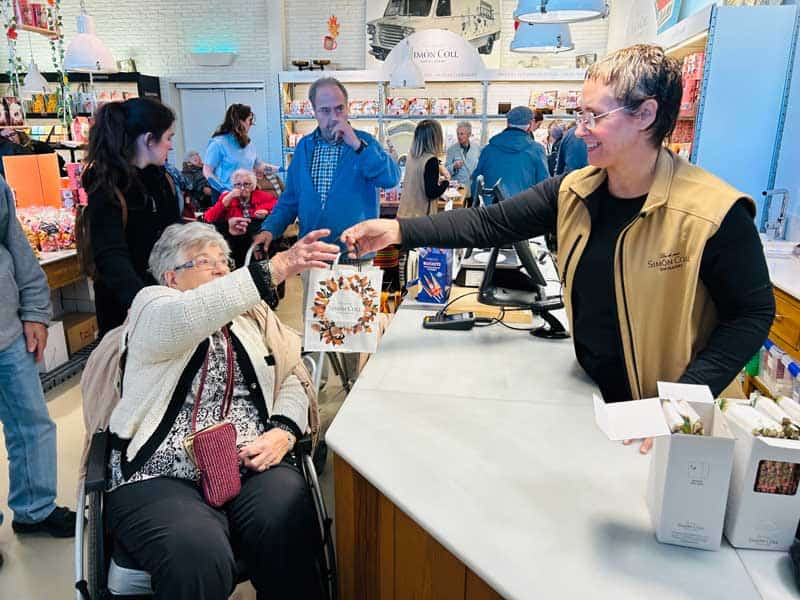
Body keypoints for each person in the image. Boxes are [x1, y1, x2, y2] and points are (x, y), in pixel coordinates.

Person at [342, 44, 775, 455]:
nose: (579, 129)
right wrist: (398, 231)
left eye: (595, 115)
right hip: (597, 404)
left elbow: (752, 313)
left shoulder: (713, 212)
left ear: (646, 114)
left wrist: (681, 404)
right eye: (580, 113)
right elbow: (489, 223)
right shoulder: (574, 191)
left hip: (674, 426)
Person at [104, 221, 339, 600]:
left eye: (224, 262)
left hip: (247, 458)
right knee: (197, 553)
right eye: (203, 261)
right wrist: (275, 268)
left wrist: (283, 429)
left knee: (288, 518)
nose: (220, 270)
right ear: (171, 277)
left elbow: (292, 374)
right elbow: (185, 318)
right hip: (160, 470)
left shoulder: (252, 319)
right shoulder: (151, 307)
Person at [0, 176, 79, 559]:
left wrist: (35, 311)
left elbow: (17, 249)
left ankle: (34, 511)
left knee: (32, 424)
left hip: (8, 332)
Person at [253, 76, 400, 261]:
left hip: (355, 257)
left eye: (339, 108)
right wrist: (270, 229)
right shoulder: (304, 148)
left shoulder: (365, 143)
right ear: (314, 111)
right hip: (312, 255)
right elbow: (290, 200)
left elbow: (391, 179)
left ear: (348, 107)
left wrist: (357, 145)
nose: (334, 117)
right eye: (325, 110)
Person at [82, 97, 182, 336]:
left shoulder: (161, 179)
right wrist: (143, 305)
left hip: (165, 297)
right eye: (168, 138)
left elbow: (172, 230)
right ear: (149, 139)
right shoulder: (107, 187)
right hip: (127, 310)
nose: (171, 146)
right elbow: (111, 256)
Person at [469, 106, 549, 203]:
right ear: (531, 124)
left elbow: (476, 183)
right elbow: (544, 186)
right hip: (522, 209)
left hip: (491, 211)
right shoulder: (537, 150)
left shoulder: (488, 150)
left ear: (507, 123)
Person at [204, 169, 278, 266]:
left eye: (246, 184)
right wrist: (225, 201)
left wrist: (267, 213)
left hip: (258, 238)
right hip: (235, 241)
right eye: (238, 185)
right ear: (233, 186)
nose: (242, 188)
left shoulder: (264, 197)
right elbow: (208, 218)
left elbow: (279, 212)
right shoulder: (227, 197)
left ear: (253, 186)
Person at [203, 104, 274, 196]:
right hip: (225, 196)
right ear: (240, 122)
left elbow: (259, 166)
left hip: (246, 195)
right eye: (250, 120)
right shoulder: (218, 143)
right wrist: (223, 190)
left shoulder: (248, 143)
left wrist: (283, 169)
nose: (251, 124)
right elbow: (207, 171)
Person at [398, 119, 449, 218]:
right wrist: (446, 182)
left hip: (405, 212)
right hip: (422, 216)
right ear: (435, 138)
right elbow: (432, 192)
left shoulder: (411, 156)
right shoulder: (431, 161)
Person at [444, 121, 480, 201]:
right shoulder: (451, 150)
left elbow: (480, 168)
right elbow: (446, 170)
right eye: (458, 134)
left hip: (473, 189)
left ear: (469, 134)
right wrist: (454, 166)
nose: (459, 136)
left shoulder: (477, 148)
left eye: (462, 134)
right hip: (458, 190)